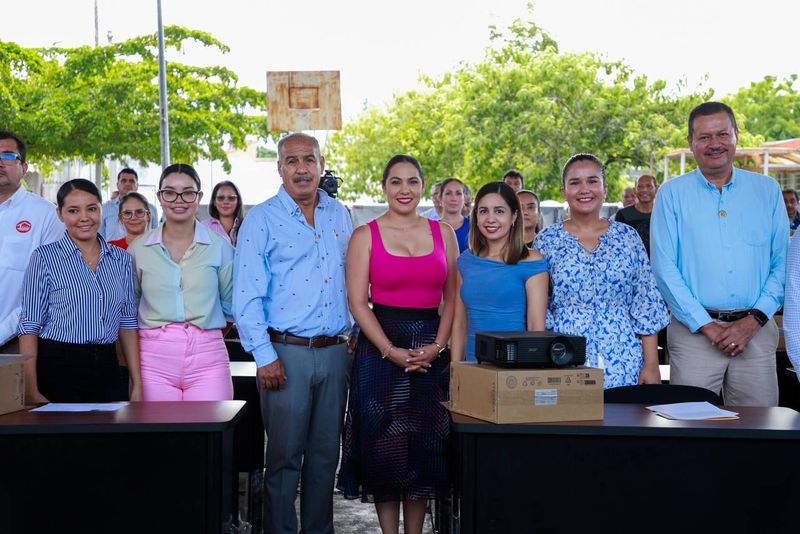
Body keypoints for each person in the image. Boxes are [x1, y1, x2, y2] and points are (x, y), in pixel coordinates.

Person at [233, 133, 353, 534]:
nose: (301, 168)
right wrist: (264, 356)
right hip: (285, 354)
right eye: (292, 161)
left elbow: (351, 278)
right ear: (280, 168)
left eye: (309, 159)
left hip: (336, 353)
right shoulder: (261, 219)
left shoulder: (340, 214)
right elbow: (246, 294)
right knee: (284, 459)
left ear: (321, 163)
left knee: (324, 457)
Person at [337, 154, 457, 534]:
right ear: (384, 187)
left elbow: (453, 297)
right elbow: (357, 301)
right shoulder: (364, 235)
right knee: (383, 445)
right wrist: (390, 350)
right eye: (396, 182)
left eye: (412, 182)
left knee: (424, 444)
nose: (404, 190)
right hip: (379, 349)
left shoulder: (445, 234)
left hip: (429, 348)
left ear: (424, 187)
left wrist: (438, 346)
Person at [651, 101, 788, 407]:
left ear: (736, 135)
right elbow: (664, 268)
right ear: (691, 142)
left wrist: (753, 321)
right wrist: (708, 326)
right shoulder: (671, 195)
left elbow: (782, 263)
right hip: (694, 334)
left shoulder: (767, 191)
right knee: (691, 433)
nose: (715, 144)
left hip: (756, 331)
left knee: (761, 433)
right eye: (704, 137)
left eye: (722, 134)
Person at [535, 153, 669, 388]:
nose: (584, 189)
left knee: (623, 422)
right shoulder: (546, 241)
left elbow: (645, 302)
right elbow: (539, 307)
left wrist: (651, 364)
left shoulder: (627, 238)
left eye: (592, 181)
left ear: (605, 189)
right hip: (564, 360)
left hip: (624, 359)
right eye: (575, 183)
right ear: (563, 191)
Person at [18, 179, 141, 402]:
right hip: (58, 366)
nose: (84, 218)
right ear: (60, 214)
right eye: (73, 210)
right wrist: (31, 388)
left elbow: (127, 322)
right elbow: (29, 324)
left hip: (107, 366)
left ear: (102, 210)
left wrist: (137, 383)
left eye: (92, 208)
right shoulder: (45, 258)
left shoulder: (121, 259)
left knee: (109, 436)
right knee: (63, 436)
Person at [130, 163, 234, 402]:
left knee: (210, 434)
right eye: (169, 192)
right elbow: (131, 305)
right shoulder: (138, 249)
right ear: (159, 197)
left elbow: (229, 306)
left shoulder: (220, 247)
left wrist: (203, 335)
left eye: (188, 192)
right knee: (161, 436)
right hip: (152, 358)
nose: (179, 200)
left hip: (208, 356)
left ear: (199, 196)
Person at [452, 182, 548, 362]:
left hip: (514, 368)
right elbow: (459, 324)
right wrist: (455, 372)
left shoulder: (532, 261)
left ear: (514, 216)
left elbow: (536, 326)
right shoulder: (466, 261)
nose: (490, 218)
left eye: (499, 211)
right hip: (473, 368)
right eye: (483, 211)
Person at [0, 130, 64, 354]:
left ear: (24, 168)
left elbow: (47, 287)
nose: (0, 162)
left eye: (8, 156)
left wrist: (2, 331)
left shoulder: (46, 215)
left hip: (18, 341)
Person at [99, 168, 158, 241]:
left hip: (143, 251)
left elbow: (155, 237)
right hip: (113, 251)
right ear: (117, 185)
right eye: (123, 181)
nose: (127, 184)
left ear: (137, 185)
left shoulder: (151, 209)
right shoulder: (105, 208)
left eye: (132, 181)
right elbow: (99, 237)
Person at [614, 174, 658, 257]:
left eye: (649, 186)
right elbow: (618, 244)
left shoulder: (664, 213)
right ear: (635, 190)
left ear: (656, 189)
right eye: (640, 187)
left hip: (658, 265)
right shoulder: (623, 214)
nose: (644, 190)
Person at [201, 180, 244, 246]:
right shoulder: (204, 227)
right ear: (214, 202)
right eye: (221, 198)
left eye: (231, 198)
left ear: (238, 201)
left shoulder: (247, 227)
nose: (226, 202)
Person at [440, 177, 470, 252]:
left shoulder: (475, 227)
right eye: (448, 193)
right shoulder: (430, 229)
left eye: (458, 193)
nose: (454, 198)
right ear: (440, 198)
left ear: (465, 198)